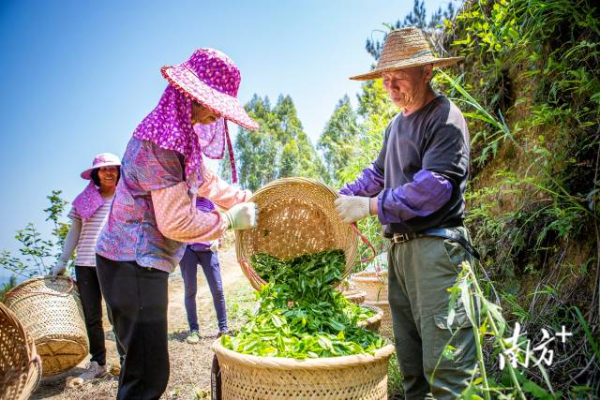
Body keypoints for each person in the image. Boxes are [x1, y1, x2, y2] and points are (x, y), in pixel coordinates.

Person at [95, 48, 259, 400]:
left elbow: (208, 184)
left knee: (141, 367)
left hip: (132, 264)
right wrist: (228, 220)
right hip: (131, 265)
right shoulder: (160, 143)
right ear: (189, 96)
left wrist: (245, 199)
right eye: (210, 103)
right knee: (148, 374)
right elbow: (175, 222)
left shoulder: (180, 138)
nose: (215, 114)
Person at [335, 27, 478, 399]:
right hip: (399, 253)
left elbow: (435, 188)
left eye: (399, 75)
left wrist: (369, 207)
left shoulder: (444, 117)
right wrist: (337, 199)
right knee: (412, 365)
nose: (390, 85)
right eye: (385, 76)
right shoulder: (396, 126)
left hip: (435, 250)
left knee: (447, 366)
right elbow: (376, 175)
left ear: (427, 71)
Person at [52, 153, 122, 381]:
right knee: (92, 316)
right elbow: (74, 231)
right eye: (104, 169)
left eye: (113, 168)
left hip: (113, 262)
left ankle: (126, 361)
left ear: (119, 171)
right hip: (85, 264)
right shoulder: (85, 199)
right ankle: (98, 363)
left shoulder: (125, 196)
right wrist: (62, 260)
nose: (109, 172)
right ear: (96, 174)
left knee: (117, 313)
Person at [180, 197, 229, 344]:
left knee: (217, 289)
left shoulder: (210, 202)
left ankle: (223, 329)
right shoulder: (184, 200)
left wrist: (217, 239)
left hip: (208, 250)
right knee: (190, 290)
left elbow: (219, 223)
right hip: (188, 250)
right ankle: (194, 330)